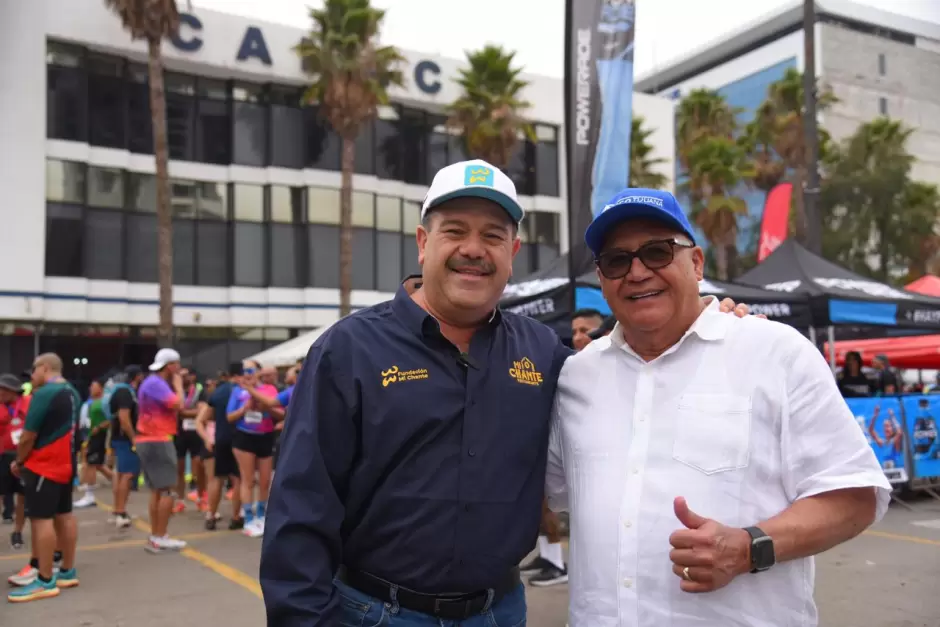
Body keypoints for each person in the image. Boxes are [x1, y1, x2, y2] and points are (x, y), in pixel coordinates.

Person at [260, 160, 755, 625]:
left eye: (493, 235)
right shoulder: (349, 350)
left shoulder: (543, 352)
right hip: (376, 612)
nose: (474, 249)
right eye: (455, 230)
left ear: (512, 253)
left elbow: (633, 365)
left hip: (499, 613)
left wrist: (705, 318)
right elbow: (300, 514)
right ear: (422, 242)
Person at [545, 188, 891, 626]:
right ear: (601, 279)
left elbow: (854, 496)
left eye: (657, 252)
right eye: (616, 260)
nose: (636, 272)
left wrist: (750, 547)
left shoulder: (775, 353)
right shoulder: (578, 375)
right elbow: (539, 497)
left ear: (696, 263)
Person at [7, 353, 81, 603]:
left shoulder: (44, 394)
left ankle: (45, 579)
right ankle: (67, 570)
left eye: (34, 370)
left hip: (44, 466)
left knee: (41, 520)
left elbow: (28, 435)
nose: (32, 375)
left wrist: (19, 461)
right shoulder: (72, 392)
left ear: (45, 368)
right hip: (65, 465)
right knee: (65, 515)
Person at [136, 348, 186, 553]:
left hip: (149, 439)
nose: (180, 369)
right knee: (167, 489)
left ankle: (156, 535)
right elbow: (178, 404)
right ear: (170, 366)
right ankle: (160, 535)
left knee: (157, 490)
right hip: (158, 439)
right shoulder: (156, 383)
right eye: (177, 364)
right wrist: (179, 386)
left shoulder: (151, 382)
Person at [227, 362, 278, 538]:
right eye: (244, 371)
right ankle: (248, 518)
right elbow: (229, 417)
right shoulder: (237, 391)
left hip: (265, 436)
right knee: (247, 480)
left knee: (265, 481)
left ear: (259, 372)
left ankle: (262, 516)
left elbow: (280, 412)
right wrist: (244, 409)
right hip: (244, 437)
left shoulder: (269, 389)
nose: (247, 374)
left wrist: (267, 407)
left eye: (251, 370)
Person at [196, 363, 244, 532]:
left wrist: (207, 438)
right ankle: (236, 517)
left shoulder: (218, 392)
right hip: (240, 439)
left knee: (217, 478)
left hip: (220, 439)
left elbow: (200, 420)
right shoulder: (243, 391)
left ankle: (211, 515)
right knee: (239, 480)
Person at [108, 365, 144, 530]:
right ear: (137, 376)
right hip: (125, 440)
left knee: (120, 474)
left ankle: (118, 510)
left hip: (120, 438)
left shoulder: (123, 391)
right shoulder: (125, 392)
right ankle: (121, 512)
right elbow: (124, 418)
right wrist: (134, 438)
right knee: (127, 475)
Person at [73, 376, 114, 509]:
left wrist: (100, 427)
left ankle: (89, 496)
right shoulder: (92, 402)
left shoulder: (105, 401)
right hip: (91, 435)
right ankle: (115, 483)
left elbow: (112, 418)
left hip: (99, 436)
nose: (91, 388)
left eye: (94, 385)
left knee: (91, 464)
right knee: (93, 463)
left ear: (101, 388)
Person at [0, 374, 28, 549]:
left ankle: (17, 532)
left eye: (2, 389)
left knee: (22, 496)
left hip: (22, 455)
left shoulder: (28, 404)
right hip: (3, 454)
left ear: (11, 391)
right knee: (3, 493)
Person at [174, 368, 207, 513]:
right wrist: (189, 413)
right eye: (180, 376)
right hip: (178, 433)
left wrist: (183, 413)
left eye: (185, 376)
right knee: (178, 469)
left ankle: (201, 497)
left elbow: (201, 411)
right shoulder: (175, 391)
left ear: (192, 377)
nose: (182, 378)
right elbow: (173, 410)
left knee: (198, 467)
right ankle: (180, 500)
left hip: (196, 433)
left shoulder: (200, 391)